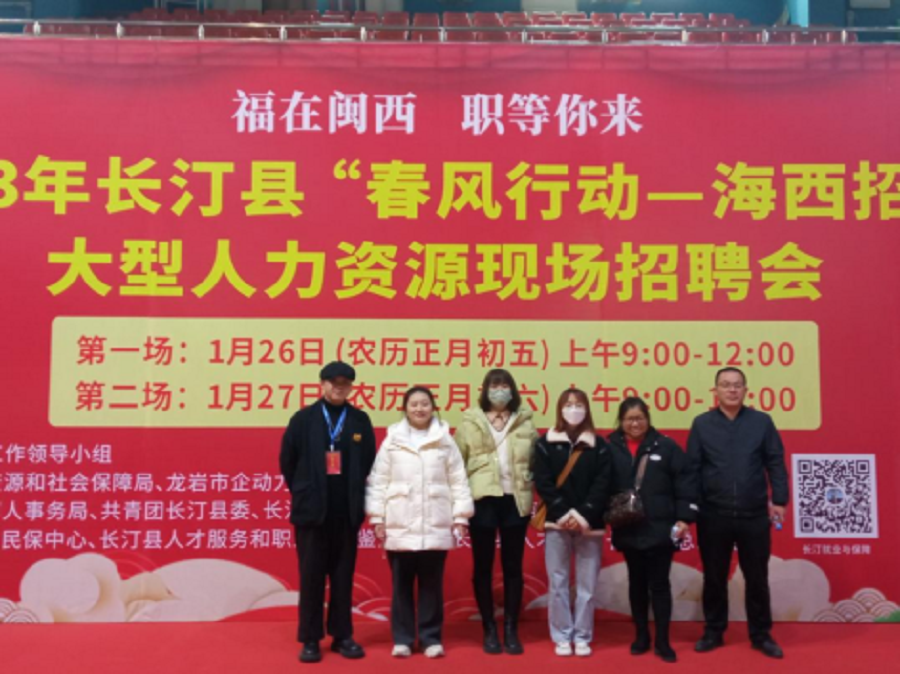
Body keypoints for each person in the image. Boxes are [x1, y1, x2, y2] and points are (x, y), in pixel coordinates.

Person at [687, 367, 789, 659]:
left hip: (753, 514)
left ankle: (761, 634)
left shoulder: (761, 422)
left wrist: (779, 500)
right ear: (715, 391)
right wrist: (691, 507)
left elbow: (775, 462)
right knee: (714, 577)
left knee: (757, 578)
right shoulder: (702, 424)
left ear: (745, 390)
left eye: (737, 385)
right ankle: (713, 631)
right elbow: (692, 469)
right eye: (725, 385)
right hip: (713, 514)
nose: (731, 390)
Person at [279, 361, 377, 664]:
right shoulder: (303, 419)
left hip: (345, 513)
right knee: (311, 578)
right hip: (312, 514)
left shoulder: (359, 420)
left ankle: (342, 635)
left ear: (351, 387)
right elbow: (287, 461)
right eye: (334, 382)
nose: (339, 387)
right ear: (322, 384)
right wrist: (305, 491)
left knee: (343, 577)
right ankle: (310, 638)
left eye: (345, 383)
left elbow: (368, 461)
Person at [365, 386, 474, 658]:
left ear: (433, 407)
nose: (419, 409)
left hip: (434, 523)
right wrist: (377, 517)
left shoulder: (445, 440)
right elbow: (378, 481)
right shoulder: (392, 440)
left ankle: (430, 638)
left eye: (424, 404)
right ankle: (402, 639)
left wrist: (460, 516)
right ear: (405, 408)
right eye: (413, 404)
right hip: (399, 523)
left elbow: (458, 480)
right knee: (401, 586)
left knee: (431, 586)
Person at [454, 369, 538, 655]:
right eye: (494, 385)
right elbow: (457, 464)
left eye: (504, 385)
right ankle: (489, 627)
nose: (499, 390)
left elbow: (536, 461)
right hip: (483, 500)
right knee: (483, 567)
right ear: (485, 390)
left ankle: (511, 629)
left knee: (513, 567)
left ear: (512, 390)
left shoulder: (525, 421)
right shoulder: (469, 422)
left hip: (516, 500)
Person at [607, 397, 696, 663]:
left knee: (659, 584)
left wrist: (684, 518)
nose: (635, 424)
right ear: (621, 421)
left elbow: (685, 482)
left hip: (660, 527)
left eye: (640, 418)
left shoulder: (666, 446)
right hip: (628, 526)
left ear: (648, 418)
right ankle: (641, 636)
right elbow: (601, 484)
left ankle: (663, 641)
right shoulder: (609, 447)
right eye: (629, 419)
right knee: (636, 583)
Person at [533, 389, 611, 657]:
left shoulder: (600, 445)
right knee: (558, 582)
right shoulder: (544, 444)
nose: (574, 409)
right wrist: (564, 514)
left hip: (590, 524)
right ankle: (562, 635)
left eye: (579, 404)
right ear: (560, 409)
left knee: (587, 586)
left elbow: (602, 484)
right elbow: (543, 482)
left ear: (587, 409)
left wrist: (582, 515)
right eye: (568, 404)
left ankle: (583, 636)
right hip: (557, 523)